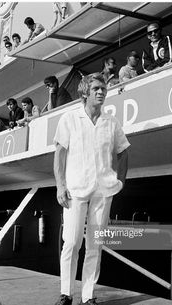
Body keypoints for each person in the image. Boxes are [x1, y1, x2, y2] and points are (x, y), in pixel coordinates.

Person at [53, 72, 130, 305]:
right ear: (85, 93)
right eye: (96, 88)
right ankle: (66, 294)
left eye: (103, 89)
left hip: (103, 190)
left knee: (95, 245)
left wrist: (121, 181)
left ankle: (88, 296)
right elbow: (59, 154)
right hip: (76, 190)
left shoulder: (111, 122)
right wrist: (60, 185)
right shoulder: (69, 119)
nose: (101, 92)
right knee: (72, 242)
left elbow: (124, 151)